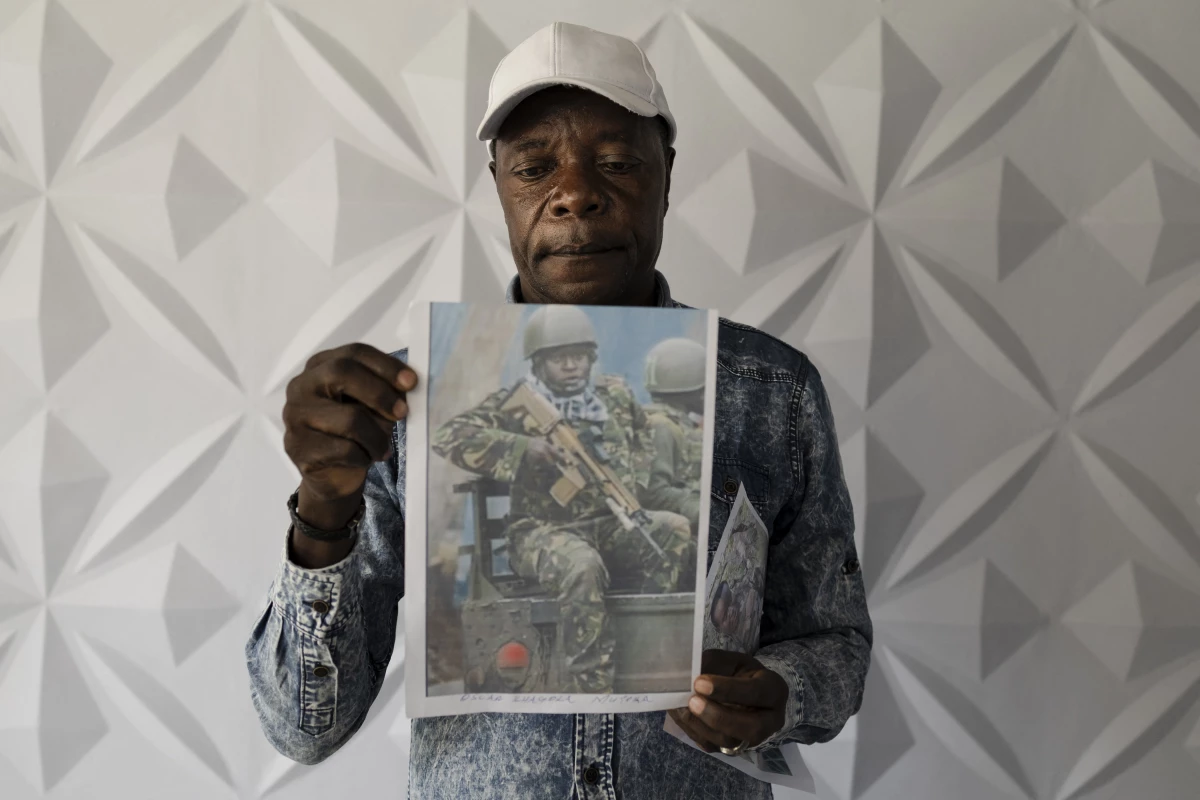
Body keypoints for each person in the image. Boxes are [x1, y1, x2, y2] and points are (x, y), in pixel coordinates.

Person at [246, 20, 872, 799]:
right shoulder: (415, 402)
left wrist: (782, 690)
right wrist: (323, 509)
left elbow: (836, 645)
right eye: (535, 168)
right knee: (576, 563)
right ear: (499, 186)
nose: (574, 193)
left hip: (613, 530)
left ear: (666, 175)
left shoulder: (769, 392)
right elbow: (303, 727)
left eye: (614, 162)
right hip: (538, 534)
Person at [430, 304, 694, 692]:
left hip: (607, 522)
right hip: (541, 531)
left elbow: (641, 440)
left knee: (671, 531)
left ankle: (644, 657)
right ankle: (593, 685)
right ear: (538, 363)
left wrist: (623, 486)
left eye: (579, 357)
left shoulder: (614, 397)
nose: (571, 366)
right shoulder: (517, 406)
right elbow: (448, 436)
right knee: (582, 566)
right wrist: (523, 448)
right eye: (559, 359)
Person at [639, 337, 706, 531]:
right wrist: (700, 506)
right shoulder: (661, 427)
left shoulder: (680, 424)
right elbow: (653, 494)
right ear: (697, 390)